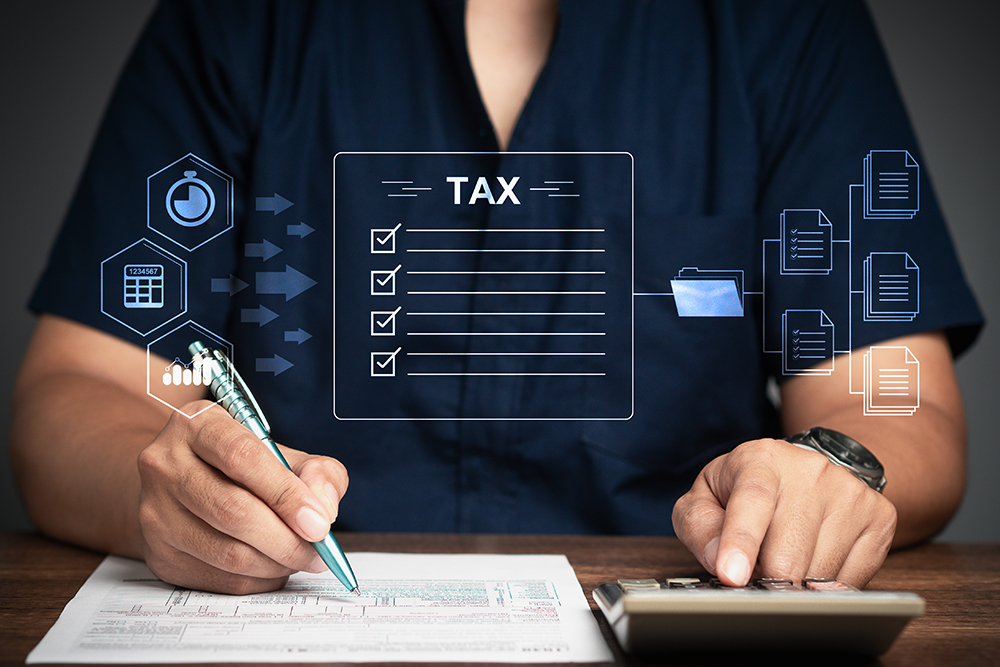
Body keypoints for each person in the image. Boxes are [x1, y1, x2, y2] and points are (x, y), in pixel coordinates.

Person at [11, 0, 982, 595]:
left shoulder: (790, 22)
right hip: (290, 616)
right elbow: (77, 391)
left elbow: (901, 406)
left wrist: (835, 471)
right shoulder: (237, 18)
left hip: (680, 610)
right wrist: (169, 486)